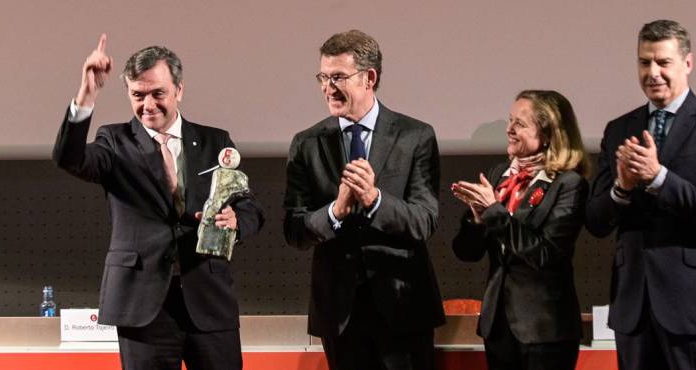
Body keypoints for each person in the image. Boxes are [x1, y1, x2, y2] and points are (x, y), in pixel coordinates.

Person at [52, 35, 266, 370]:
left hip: (208, 299)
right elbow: (69, 158)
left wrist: (236, 223)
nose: (147, 105)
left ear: (179, 90)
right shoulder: (114, 141)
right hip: (143, 305)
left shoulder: (215, 142)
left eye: (158, 93)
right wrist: (87, 94)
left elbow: (249, 206)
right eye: (137, 95)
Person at [585, 20, 696, 370]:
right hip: (634, 307)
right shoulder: (619, 129)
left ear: (687, 64)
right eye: (644, 62)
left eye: (663, 62)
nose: (653, 72)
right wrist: (622, 187)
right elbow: (596, 222)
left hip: (695, 307)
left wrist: (659, 177)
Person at [283, 29, 444, 370]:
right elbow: (294, 230)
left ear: (369, 78)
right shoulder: (307, 143)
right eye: (323, 77)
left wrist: (374, 199)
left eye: (338, 77)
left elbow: (425, 220)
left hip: (404, 307)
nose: (328, 87)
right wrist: (334, 212)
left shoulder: (415, 136)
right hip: (339, 313)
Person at [451, 90, 590, 370]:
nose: (509, 129)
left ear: (549, 133)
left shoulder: (568, 184)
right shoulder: (499, 176)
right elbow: (466, 253)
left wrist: (494, 213)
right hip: (498, 325)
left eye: (520, 124)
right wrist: (477, 221)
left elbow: (545, 255)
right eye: (510, 120)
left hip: (545, 328)